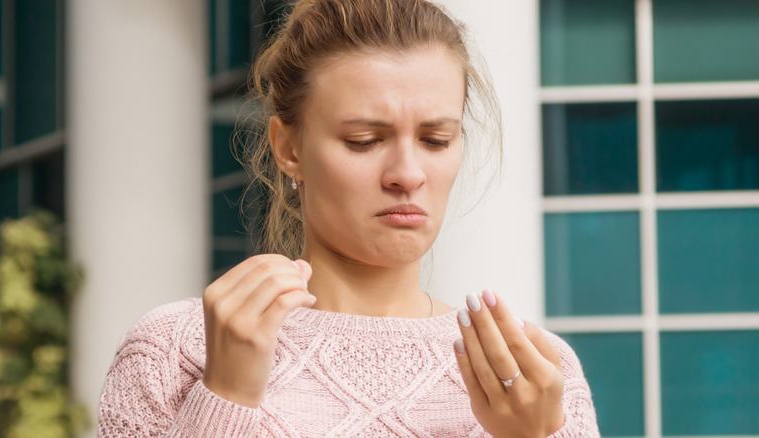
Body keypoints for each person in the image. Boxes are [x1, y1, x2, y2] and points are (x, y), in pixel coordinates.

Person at [98, 0, 600, 436]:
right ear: (288, 148)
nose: (407, 174)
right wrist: (225, 396)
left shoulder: (534, 373)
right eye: (365, 141)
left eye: (435, 141)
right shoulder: (175, 350)